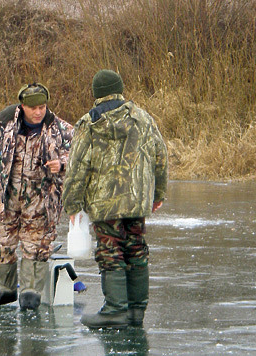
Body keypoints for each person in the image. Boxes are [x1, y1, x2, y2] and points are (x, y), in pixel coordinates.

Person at [62, 69, 168, 328]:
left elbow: (77, 167)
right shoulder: (143, 118)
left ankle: (115, 310)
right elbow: (160, 156)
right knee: (136, 248)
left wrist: (72, 203)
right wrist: (158, 193)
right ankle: (135, 312)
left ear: (96, 93)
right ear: (120, 88)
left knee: (111, 251)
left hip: (105, 201)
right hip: (137, 200)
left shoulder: (90, 122)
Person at [0, 82, 73, 310]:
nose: (38, 112)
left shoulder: (60, 128)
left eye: (42, 107)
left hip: (41, 199)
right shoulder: (4, 121)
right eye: (33, 108)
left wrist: (63, 164)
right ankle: (4, 287)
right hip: (5, 196)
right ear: (23, 106)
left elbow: (80, 154)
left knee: (36, 243)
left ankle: (30, 290)